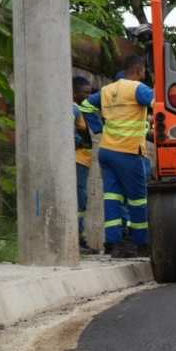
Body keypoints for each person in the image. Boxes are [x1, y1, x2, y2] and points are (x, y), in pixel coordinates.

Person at [80, 55, 153, 258]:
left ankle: (114, 244)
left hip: (107, 151)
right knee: (137, 200)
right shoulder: (138, 89)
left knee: (112, 198)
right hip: (129, 152)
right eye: (144, 70)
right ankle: (141, 244)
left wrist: (98, 128)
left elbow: (85, 106)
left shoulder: (107, 90)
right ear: (139, 70)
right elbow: (161, 103)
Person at [72, 75, 100, 254]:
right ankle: (77, 239)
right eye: (85, 93)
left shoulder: (82, 109)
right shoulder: (74, 109)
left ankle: (78, 238)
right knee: (80, 200)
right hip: (78, 160)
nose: (88, 97)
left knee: (82, 200)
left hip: (83, 160)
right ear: (74, 93)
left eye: (90, 93)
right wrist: (78, 142)